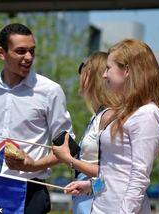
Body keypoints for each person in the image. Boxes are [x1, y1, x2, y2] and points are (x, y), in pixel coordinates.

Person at [0, 23, 73, 214]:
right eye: (20, 51)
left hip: (30, 192)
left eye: (31, 51)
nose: (28, 57)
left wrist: (34, 165)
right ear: (1, 53)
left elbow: (68, 147)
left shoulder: (50, 91)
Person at [63, 39, 159, 214]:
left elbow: (139, 178)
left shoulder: (147, 114)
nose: (104, 75)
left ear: (126, 70)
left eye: (108, 68)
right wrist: (90, 185)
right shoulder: (126, 111)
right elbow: (114, 174)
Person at [52, 52, 119, 214]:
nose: (80, 74)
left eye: (83, 68)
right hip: (87, 199)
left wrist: (69, 160)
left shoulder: (109, 116)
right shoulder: (97, 116)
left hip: (97, 204)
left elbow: (115, 175)